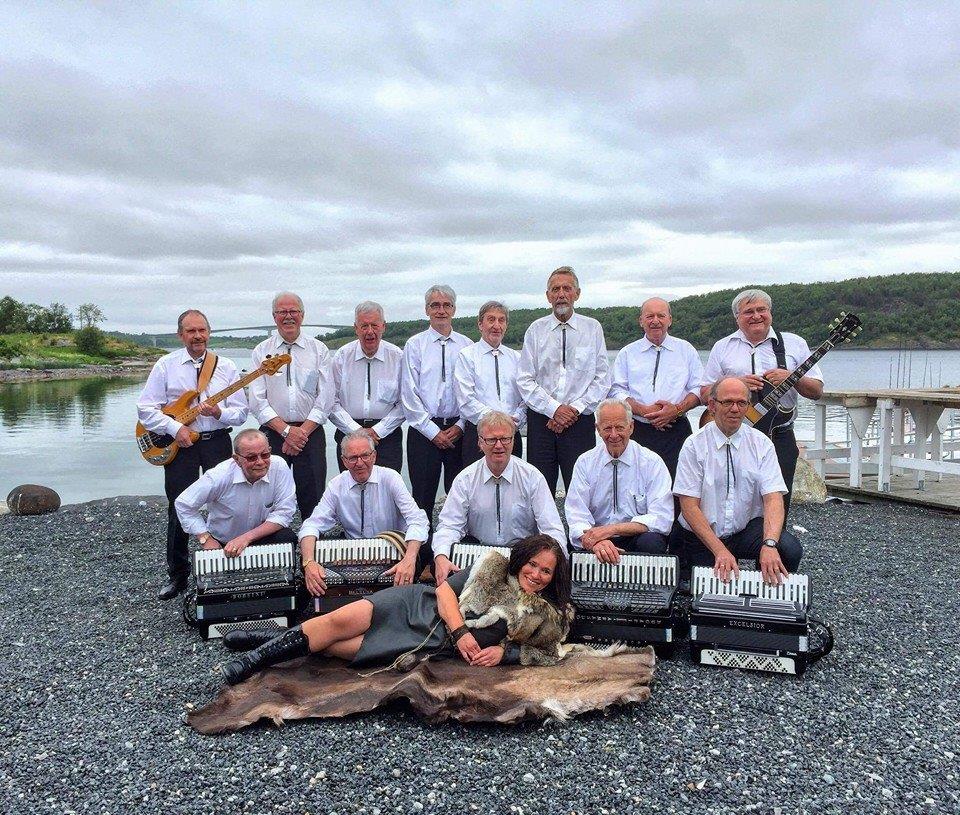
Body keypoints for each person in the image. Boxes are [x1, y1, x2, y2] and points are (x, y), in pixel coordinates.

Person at [220, 534, 572, 685]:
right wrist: (462, 632)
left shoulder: (548, 615)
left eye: (546, 571)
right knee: (336, 621)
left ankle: (272, 638)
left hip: (422, 642)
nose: (536, 574)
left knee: (333, 647)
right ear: (521, 559)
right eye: (532, 564)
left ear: (554, 577)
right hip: (414, 605)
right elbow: (444, 592)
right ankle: (252, 661)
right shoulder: (493, 566)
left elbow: (549, 653)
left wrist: (505, 653)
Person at [137, 309, 247, 600]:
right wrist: (175, 429)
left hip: (217, 441)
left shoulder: (226, 366)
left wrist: (219, 412)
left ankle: (226, 564)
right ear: (180, 335)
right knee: (178, 505)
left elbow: (241, 413)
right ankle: (178, 574)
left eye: (202, 330)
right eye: (191, 331)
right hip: (180, 446)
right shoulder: (166, 365)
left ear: (209, 332)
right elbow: (145, 409)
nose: (197, 336)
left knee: (226, 501)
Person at [700, 288, 823, 516]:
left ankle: (774, 537)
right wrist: (735, 383)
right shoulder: (722, 347)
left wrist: (792, 377)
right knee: (732, 496)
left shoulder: (794, 344)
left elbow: (816, 391)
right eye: (748, 311)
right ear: (737, 317)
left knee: (778, 497)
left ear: (770, 312)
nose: (756, 316)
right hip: (733, 435)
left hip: (779, 435)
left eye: (761, 310)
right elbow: (704, 393)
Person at [673, 377, 802, 585]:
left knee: (789, 549)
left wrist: (769, 545)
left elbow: (773, 498)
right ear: (712, 405)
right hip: (702, 534)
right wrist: (720, 551)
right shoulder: (693, 445)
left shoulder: (762, 444)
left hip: (743, 530)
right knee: (706, 591)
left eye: (742, 403)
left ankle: (768, 591)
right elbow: (689, 507)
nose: (735, 409)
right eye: (728, 402)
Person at [431, 411, 567, 585]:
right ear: (480, 442)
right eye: (491, 440)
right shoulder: (465, 479)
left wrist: (553, 567)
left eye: (505, 439)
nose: (499, 445)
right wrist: (441, 556)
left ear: (513, 440)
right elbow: (449, 526)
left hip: (523, 559)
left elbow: (552, 528)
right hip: (476, 556)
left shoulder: (533, 477)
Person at [517, 266, 610, 495]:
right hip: (542, 422)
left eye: (567, 288)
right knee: (539, 491)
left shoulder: (592, 328)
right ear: (548, 295)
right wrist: (554, 409)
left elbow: (602, 378)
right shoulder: (535, 330)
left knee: (582, 491)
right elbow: (525, 379)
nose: (561, 294)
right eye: (555, 289)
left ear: (577, 293)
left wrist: (573, 410)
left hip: (579, 422)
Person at [299, 430, 429, 591]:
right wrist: (309, 562)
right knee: (309, 557)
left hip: (393, 550)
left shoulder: (391, 477)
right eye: (353, 458)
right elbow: (311, 525)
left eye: (365, 456)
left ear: (374, 456)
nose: (359, 463)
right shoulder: (336, 485)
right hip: (354, 554)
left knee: (423, 546)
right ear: (344, 461)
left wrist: (409, 559)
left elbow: (418, 520)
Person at [247, 292, 333, 519]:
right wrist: (286, 431)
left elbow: (325, 398)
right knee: (269, 495)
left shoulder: (319, 350)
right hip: (273, 433)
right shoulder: (260, 351)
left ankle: (313, 539)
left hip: (310, 433)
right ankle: (270, 539)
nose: (288, 316)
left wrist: (300, 433)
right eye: (282, 312)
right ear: (274, 316)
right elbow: (257, 400)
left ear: (302, 315)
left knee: (313, 495)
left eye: (293, 311)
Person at [401, 285, 473, 552]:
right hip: (423, 432)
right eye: (435, 305)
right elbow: (409, 394)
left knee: (459, 497)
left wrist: (461, 425)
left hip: (459, 431)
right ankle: (420, 556)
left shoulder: (467, 345)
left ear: (454, 309)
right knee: (422, 499)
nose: (441, 310)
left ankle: (454, 552)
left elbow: (473, 390)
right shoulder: (414, 345)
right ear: (426, 310)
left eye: (446, 305)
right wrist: (432, 432)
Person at [565, 399, 674, 563]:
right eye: (607, 428)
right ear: (598, 429)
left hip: (635, 535)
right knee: (573, 543)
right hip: (597, 538)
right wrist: (597, 541)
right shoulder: (585, 462)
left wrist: (611, 530)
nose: (614, 435)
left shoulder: (652, 462)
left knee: (652, 542)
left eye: (620, 427)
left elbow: (662, 518)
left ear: (631, 427)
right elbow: (576, 514)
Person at [609, 297, 703, 478]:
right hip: (638, 430)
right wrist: (643, 410)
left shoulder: (686, 350)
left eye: (661, 315)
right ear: (641, 321)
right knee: (636, 483)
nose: (655, 321)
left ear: (670, 320)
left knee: (679, 484)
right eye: (649, 316)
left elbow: (699, 389)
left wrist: (676, 410)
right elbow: (616, 391)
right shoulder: (627, 353)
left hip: (676, 430)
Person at [174, 429, 297, 554]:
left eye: (265, 455)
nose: (260, 462)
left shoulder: (279, 466)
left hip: (261, 536)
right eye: (251, 457)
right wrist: (205, 538)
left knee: (287, 538)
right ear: (237, 459)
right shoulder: (219, 476)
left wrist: (246, 538)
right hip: (224, 543)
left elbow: (284, 512)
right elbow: (183, 503)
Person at [330, 301, 405, 473]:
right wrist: (356, 430)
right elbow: (330, 401)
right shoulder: (341, 356)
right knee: (349, 487)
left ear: (383, 327)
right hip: (348, 433)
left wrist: (378, 431)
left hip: (387, 436)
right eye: (364, 326)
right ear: (355, 328)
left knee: (388, 486)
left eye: (374, 325)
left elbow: (405, 402)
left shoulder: (398, 357)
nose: (370, 331)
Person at [454, 300, 525, 467]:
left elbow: (525, 397)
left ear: (506, 325)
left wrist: (516, 420)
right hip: (479, 436)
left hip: (511, 435)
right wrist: (498, 421)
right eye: (491, 319)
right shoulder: (467, 356)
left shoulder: (517, 358)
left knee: (513, 481)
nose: (496, 325)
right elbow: (465, 400)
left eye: (501, 320)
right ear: (480, 324)